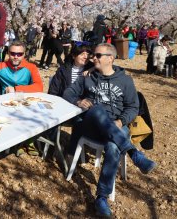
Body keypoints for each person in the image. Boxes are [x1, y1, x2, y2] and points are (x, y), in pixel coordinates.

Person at [63, 43, 157, 217]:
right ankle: (134, 153)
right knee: (97, 109)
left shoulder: (125, 80)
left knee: (113, 147)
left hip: (117, 127)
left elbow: (132, 107)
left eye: (98, 55)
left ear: (110, 58)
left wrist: (121, 122)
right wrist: (78, 101)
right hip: (92, 125)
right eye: (94, 55)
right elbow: (68, 93)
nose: (93, 58)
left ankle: (101, 197)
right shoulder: (87, 77)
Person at [0, 41, 44, 156]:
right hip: (6, 104)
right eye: (13, 53)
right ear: (8, 53)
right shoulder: (1, 66)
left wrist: (16, 89)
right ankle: (18, 143)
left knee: (31, 115)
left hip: (25, 102)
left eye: (19, 54)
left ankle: (29, 141)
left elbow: (39, 86)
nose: (16, 56)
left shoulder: (31, 67)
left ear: (24, 54)